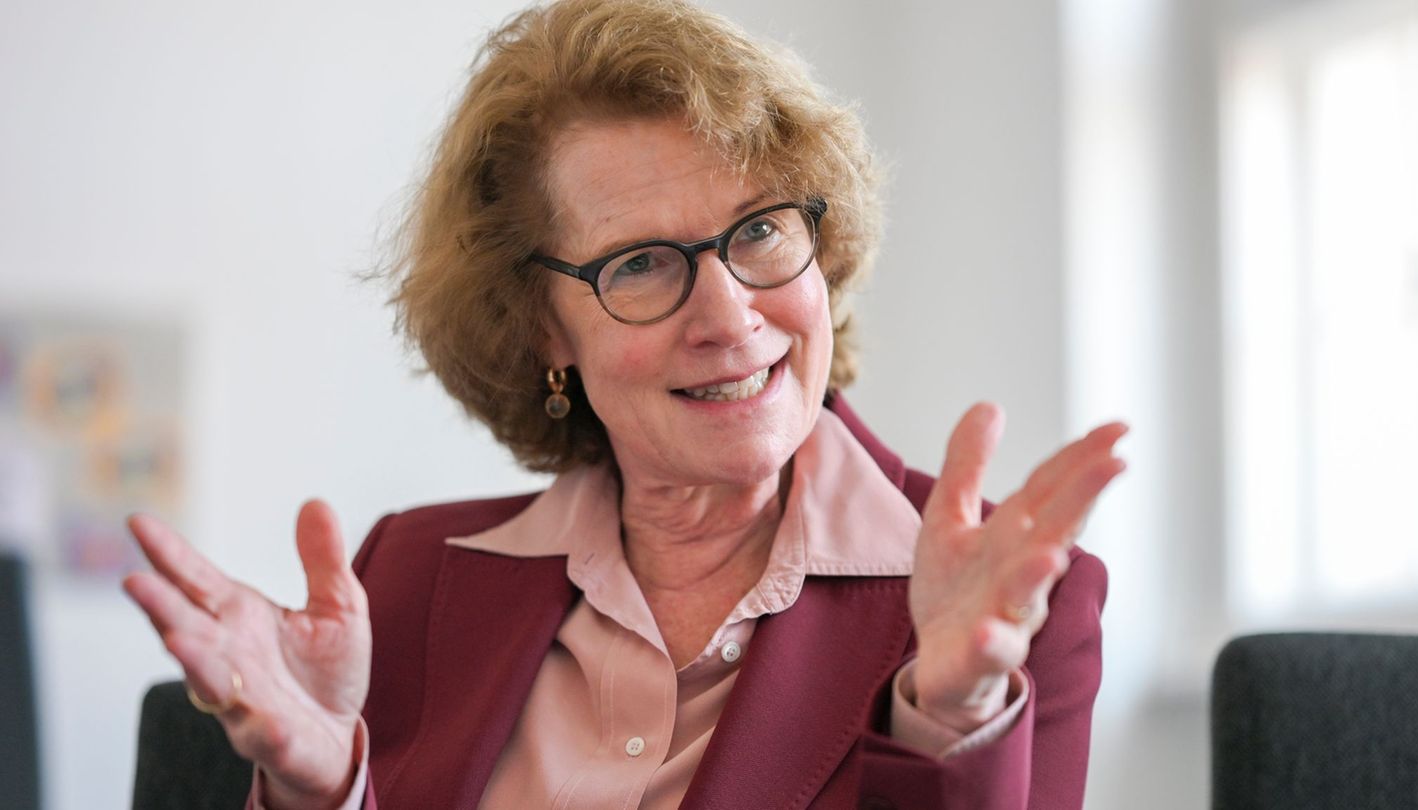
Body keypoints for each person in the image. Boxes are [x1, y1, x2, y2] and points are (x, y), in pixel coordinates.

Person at [123, 0, 1127, 807]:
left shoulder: (1013, 607)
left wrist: (950, 723)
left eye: (761, 231)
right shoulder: (408, 580)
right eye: (642, 264)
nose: (729, 316)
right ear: (543, 328)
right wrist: (319, 799)